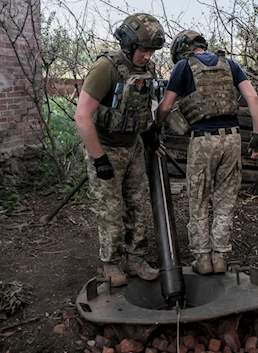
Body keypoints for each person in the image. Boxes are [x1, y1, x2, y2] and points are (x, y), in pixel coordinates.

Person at [156, 30, 258, 274]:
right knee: (225, 201)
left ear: (180, 49)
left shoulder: (183, 67)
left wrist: (155, 125)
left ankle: (202, 259)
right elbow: (253, 98)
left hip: (203, 141)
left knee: (199, 201)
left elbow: (165, 106)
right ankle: (220, 257)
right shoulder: (230, 64)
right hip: (233, 139)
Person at [74, 13, 165, 287]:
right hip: (106, 148)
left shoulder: (147, 70)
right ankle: (111, 264)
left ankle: (134, 258)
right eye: (143, 49)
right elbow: (82, 115)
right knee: (111, 211)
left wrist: (148, 133)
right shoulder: (106, 68)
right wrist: (98, 157)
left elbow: (144, 106)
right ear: (127, 43)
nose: (147, 56)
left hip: (133, 147)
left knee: (137, 208)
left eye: (151, 51)